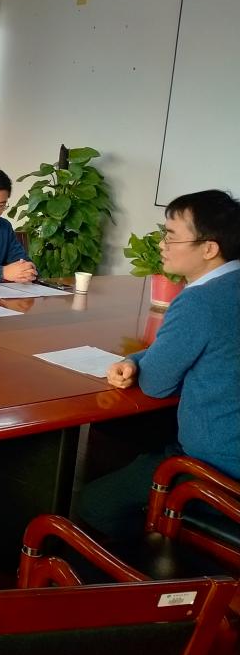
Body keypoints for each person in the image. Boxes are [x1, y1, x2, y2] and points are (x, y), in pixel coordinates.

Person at [79, 189, 240, 540]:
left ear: (209, 249)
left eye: (170, 236)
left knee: (94, 503)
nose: (161, 244)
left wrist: (139, 363)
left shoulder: (200, 302)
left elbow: (155, 384)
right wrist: (136, 358)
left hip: (217, 471)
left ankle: (141, 567)